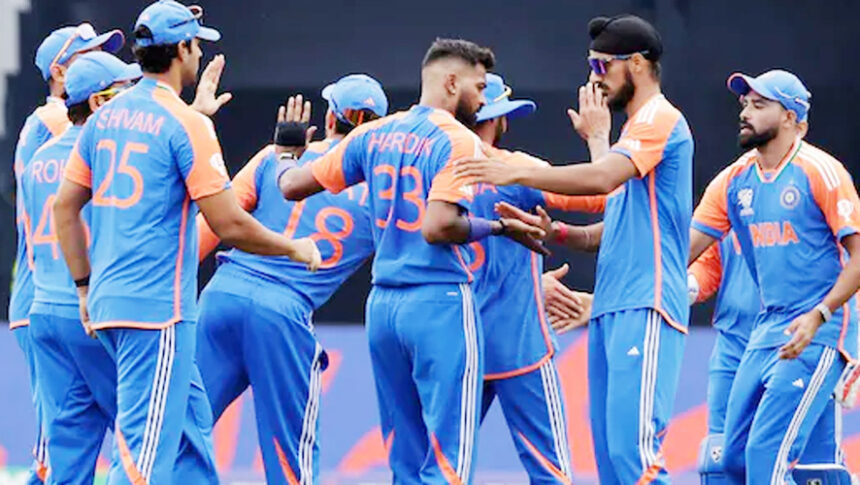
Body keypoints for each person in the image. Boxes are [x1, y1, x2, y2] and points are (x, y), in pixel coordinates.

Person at [53, 1, 320, 482]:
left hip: (112, 301)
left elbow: (64, 207)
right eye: (196, 44)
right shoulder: (188, 125)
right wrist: (293, 248)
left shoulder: (106, 118)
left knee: (190, 435)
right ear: (180, 50)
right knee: (143, 456)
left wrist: (83, 288)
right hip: (156, 312)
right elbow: (229, 224)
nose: (199, 54)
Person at [277, 38, 546, 483]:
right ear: (452, 82)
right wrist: (501, 227)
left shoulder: (372, 134)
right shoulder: (458, 140)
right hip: (439, 301)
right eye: (479, 87)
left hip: (384, 308)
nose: (483, 101)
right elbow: (438, 227)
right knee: (447, 461)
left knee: (404, 457)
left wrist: (285, 152)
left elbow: (291, 186)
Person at [455, 15, 693, 484]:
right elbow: (615, 220)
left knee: (633, 455)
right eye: (591, 65)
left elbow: (602, 180)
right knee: (611, 462)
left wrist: (516, 172)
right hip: (612, 304)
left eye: (603, 65)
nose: (594, 77)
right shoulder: (634, 131)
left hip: (645, 301)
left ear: (638, 64)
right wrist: (557, 232)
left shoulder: (658, 119)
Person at [195, 73, 385, 484]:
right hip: (282, 314)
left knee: (179, 433)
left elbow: (205, 233)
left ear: (330, 118)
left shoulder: (273, 157)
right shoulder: (382, 194)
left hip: (221, 297)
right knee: (289, 455)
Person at [689, 69, 860, 484]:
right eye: (745, 104)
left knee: (768, 455)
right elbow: (679, 253)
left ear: (790, 117)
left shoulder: (820, 171)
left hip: (817, 330)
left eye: (759, 105)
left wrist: (820, 314)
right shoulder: (734, 180)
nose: (745, 112)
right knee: (731, 459)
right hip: (766, 329)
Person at [468, 72, 602, 483]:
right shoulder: (515, 169)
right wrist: (598, 139)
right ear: (496, 119)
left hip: (454, 343)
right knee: (551, 474)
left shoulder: (429, 169)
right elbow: (603, 194)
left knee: (437, 470)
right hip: (519, 345)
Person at [8, 22, 123, 484]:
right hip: (59, 292)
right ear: (60, 72)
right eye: (89, 54)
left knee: (67, 439)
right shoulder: (56, 118)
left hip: (46, 293)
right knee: (61, 446)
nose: (102, 60)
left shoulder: (45, 132)